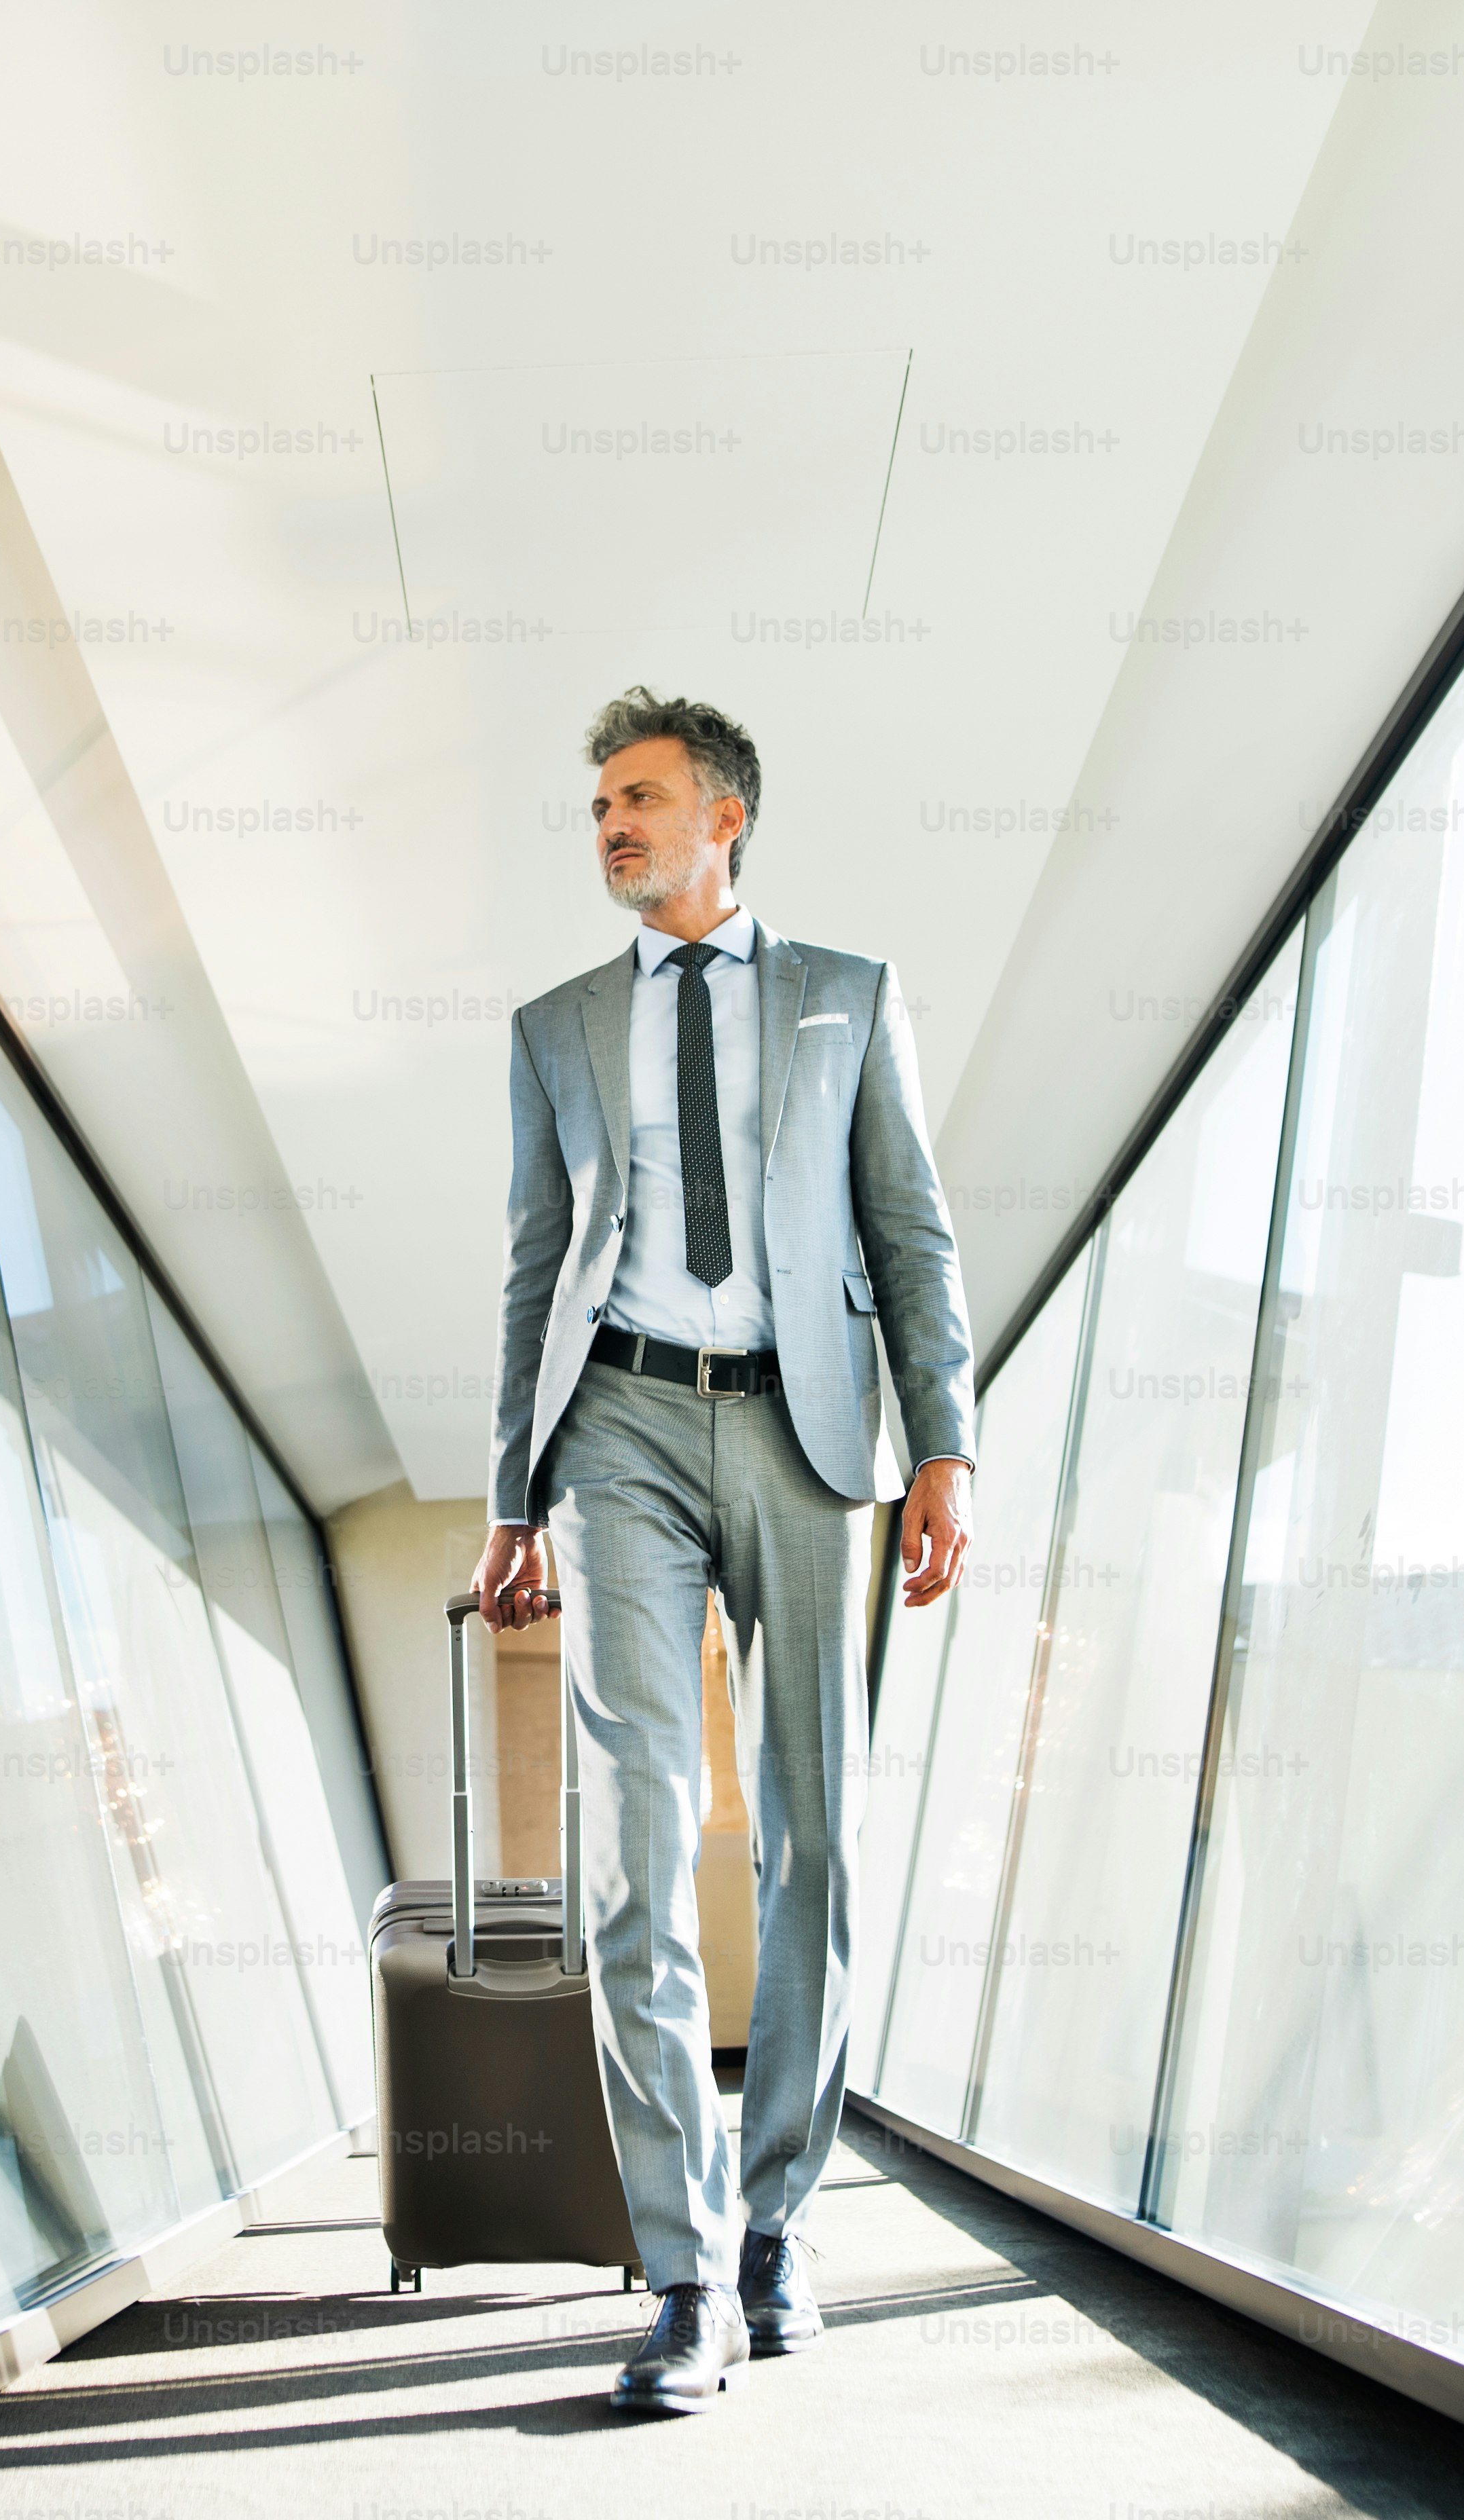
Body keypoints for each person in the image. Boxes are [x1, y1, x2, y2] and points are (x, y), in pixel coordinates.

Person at [475, 686, 976, 2411]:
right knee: (635, 1839)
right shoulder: (553, 1026)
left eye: (639, 796)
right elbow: (536, 1265)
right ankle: (680, 2265)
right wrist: (513, 1493)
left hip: (811, 1429)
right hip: (616, 1423)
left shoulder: (849, 996)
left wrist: (947, 1443)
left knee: (814, 1833)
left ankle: (778, 2223)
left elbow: (909, 1224)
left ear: (725, 817)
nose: (609, 822)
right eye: (598, 800)